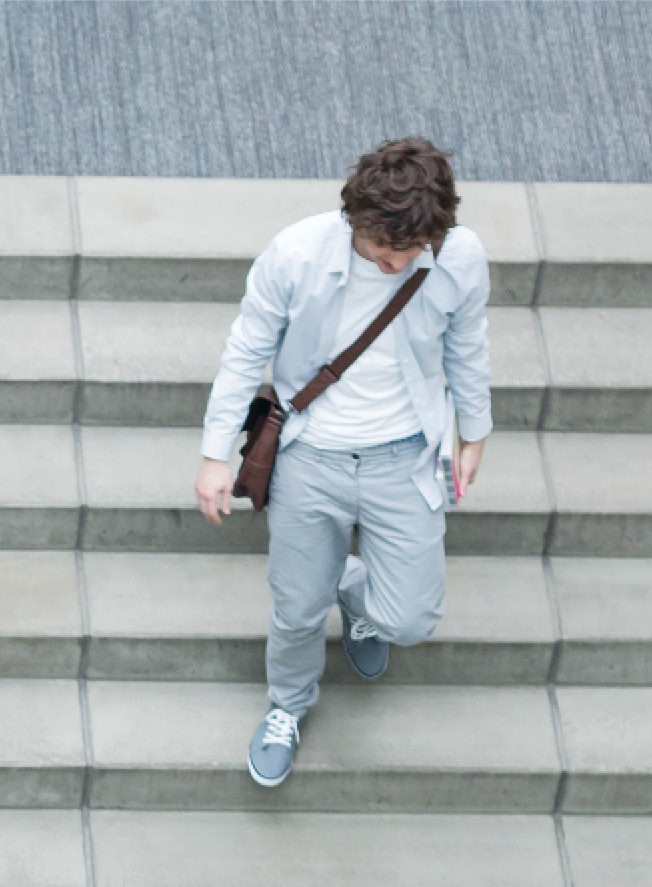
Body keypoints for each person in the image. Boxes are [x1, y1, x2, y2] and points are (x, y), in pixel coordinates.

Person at [193, 136, 496, 789]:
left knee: (409, 618)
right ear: (355, 219)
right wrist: (217, 454)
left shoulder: (458, 258)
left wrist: (475, 430)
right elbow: (246, 349)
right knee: (297, 611)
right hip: (310, 455)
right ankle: (288, 707)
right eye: (382, 253)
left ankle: (355, 593)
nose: (395, 267)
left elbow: (467, 345)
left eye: (410, 255)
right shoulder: (298, 253)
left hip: (404, 454)